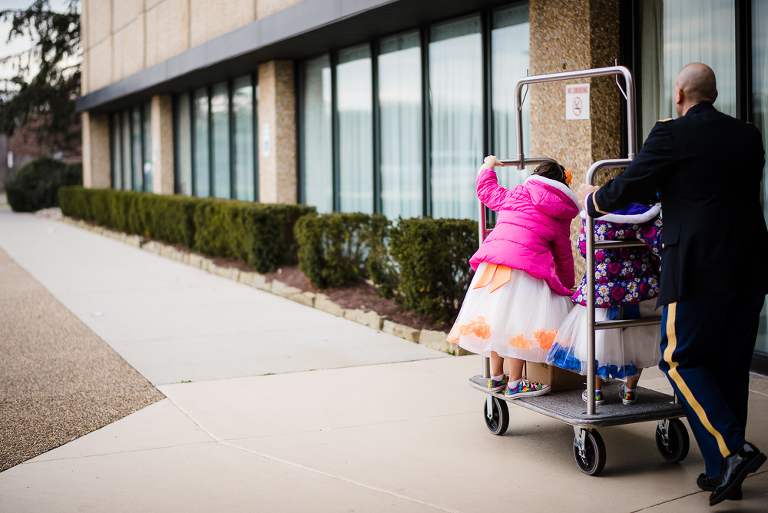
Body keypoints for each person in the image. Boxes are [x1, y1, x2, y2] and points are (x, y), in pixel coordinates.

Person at [578, 62, 768, 506]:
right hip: (751, 265)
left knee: (679, 360)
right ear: (714, 95)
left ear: (679, 94)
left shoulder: (671, 133)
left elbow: (631, 186)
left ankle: (734, 449)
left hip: (699, 266)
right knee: (729, 366)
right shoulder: (749, 135)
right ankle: (723, 467)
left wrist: (594, 201)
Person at [448, 155, 578, 398]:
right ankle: (516, 382)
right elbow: (563, 254)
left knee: (496, 321)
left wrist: (488, 166)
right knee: (520, 323)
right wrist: (567, 286)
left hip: (494, 265)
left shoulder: (517, 194)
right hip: (526, 268)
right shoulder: (560, 211)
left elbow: (486, 191)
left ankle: (496, 377)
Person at [547, 202, 663, 405]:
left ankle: (596, 391)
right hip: (640, 288)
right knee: (640, 339)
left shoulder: (595, 215)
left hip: (604, 291)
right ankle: (629, 390)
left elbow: (584, 248)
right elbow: (657, 245)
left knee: (598, 341)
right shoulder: (645, 215)